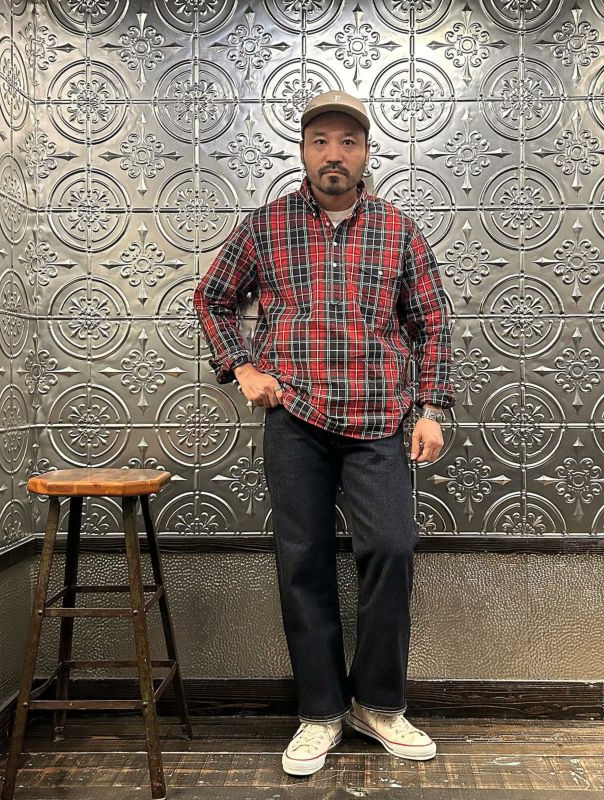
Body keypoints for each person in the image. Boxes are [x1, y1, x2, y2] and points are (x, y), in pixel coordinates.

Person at [194, 90, 455, 776]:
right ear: (304, 151)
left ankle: (378, 703)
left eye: (347, 142)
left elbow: (431, 323)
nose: (333, 154)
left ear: (366, 153)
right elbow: (212, 298)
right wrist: (243, 366)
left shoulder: (399, 231)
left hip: (379, 420)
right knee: (302, 560)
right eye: (320, 142)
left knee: (392, 547)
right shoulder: (265, 227)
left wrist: (431, 408)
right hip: (295, 420)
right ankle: (319, 712)